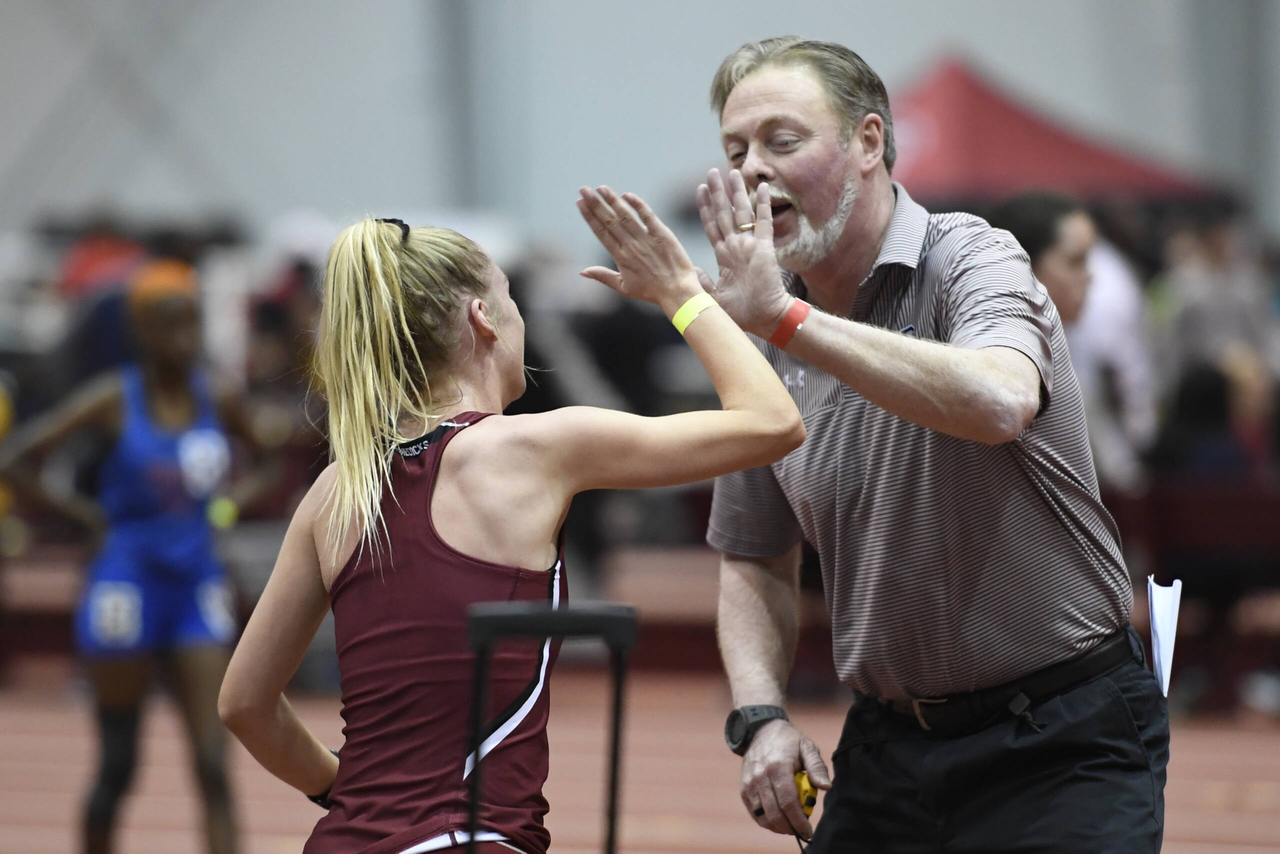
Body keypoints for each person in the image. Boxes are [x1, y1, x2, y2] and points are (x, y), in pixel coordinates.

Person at [216, 194, 804, 854]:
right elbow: (773, 422)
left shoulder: (336, 492)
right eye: (510, 297)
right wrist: (682, 293)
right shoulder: (528, 450)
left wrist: (346, 792)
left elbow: (244, 704)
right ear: (483, 318)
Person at [698, 37, 1169, 852]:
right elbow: (751, 556)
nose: (751, 170)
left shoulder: (970, 259)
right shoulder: (764, 330)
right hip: (890, 749)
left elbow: (998, 399)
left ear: (869, 142)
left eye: (782, 141)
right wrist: (761, 719)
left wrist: (785, 321)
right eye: (735, 150)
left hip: (1061, 739)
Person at [0, 259, 273, 854]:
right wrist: (85, 516)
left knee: (212, 762)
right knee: (119, 763)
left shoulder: (218, 398)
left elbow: (269, 458)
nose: (184, 339)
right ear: (143, 332)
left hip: (196, 582)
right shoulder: (113, 400)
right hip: (126, 582)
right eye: (169, 326)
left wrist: (230, 505)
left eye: (192, 324)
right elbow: (16, 457)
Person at [988, 192, 1157, 492]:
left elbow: (1119, 471)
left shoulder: (1070, 345)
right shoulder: (1004, 363)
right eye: (1076, 261)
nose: (1090, 277)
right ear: (1023, 266)